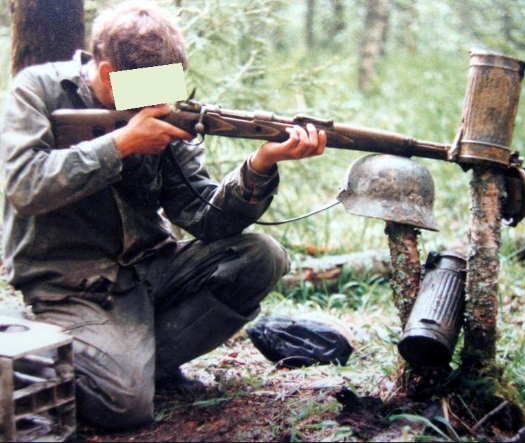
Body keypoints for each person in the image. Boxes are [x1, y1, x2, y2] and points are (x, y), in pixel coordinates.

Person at [1, 1, 326, 429]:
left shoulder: (160, 106)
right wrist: (119, 145)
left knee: (259, 256)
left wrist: (260, 165)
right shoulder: (38, 90)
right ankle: (53, 345)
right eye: (147, 87)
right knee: (125, 407)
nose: (158, 99)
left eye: (166, 85)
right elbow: (24, 187)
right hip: (72, 286)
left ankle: (132, 364)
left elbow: (205, 217)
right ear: (106, 74)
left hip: (151, 270)